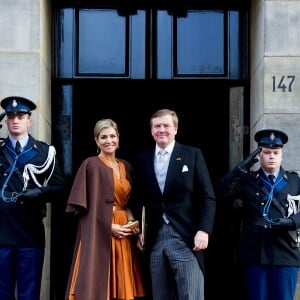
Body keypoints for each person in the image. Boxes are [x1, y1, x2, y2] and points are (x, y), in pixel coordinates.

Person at [133, 109, 216, 300]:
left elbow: (207, 197)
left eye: (166, 125)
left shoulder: (192, 154)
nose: (162, 130)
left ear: (176, 129)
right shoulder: (143, 159)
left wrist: (204, 230)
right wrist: (140, 231)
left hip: (186, 237)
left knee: (191, 295)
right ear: (151, 130)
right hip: (154, 239)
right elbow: (138, 199)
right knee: (161, 295)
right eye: (157, 126)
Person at [65, 118, 145, 300]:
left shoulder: (127, 166)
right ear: (96, 140)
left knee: (122, 284)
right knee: (98, 284)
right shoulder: (90, 164)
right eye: (103, 137)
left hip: (123, 232)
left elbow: (129, 203)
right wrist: (108, 227)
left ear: (118, 138)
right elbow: (81, 209)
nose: (109, 141)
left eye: (112, 136)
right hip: (97, 231)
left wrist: (132, 225)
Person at [217, 129, 300, 300]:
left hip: (285, 254)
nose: (271, 156)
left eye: (276, 153)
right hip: (256, 255)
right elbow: (221, 191)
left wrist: (292, 222)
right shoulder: (247, 180)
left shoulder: (295, 180)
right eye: (266, 152)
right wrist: (241, 168)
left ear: (281, 155)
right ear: (259, 155)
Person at [0, 96, 65, 300]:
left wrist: (39, 193)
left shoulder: (44, 152)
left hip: (30, 233)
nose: (15, 120)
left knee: (29, 294)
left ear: (29, 120)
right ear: (5, 121)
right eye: (10, 117)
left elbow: (60, 188)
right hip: (1, 233)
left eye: (20, 116)